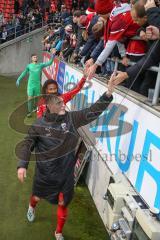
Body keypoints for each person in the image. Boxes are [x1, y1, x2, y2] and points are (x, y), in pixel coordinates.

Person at [17, 78, 114, 240]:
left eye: (63, 101)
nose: (63, 104)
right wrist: (22, 165)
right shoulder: (39, 124)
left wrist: (108, 93)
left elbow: (92, 111)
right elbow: (27, 144)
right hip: (44, 174)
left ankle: (58, 232)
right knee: (36, 197)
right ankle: (31, 207)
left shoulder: (72, 118)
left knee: (63, 202)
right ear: (48, 106)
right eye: (59, 103)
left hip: (66, 175)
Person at [16, 51, 55, 117]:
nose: (35, 58)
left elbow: (49, 63)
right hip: (30, 85)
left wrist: (53, 56)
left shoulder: (40, 65)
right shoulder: (29, 66)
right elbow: (24, 73)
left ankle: (34, 108)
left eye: (36, 57)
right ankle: (29, 112)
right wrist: (18, 79)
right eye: (34, 57)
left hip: (37, 85)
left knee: (36, 98)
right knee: (30, 98)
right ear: (32, 59)